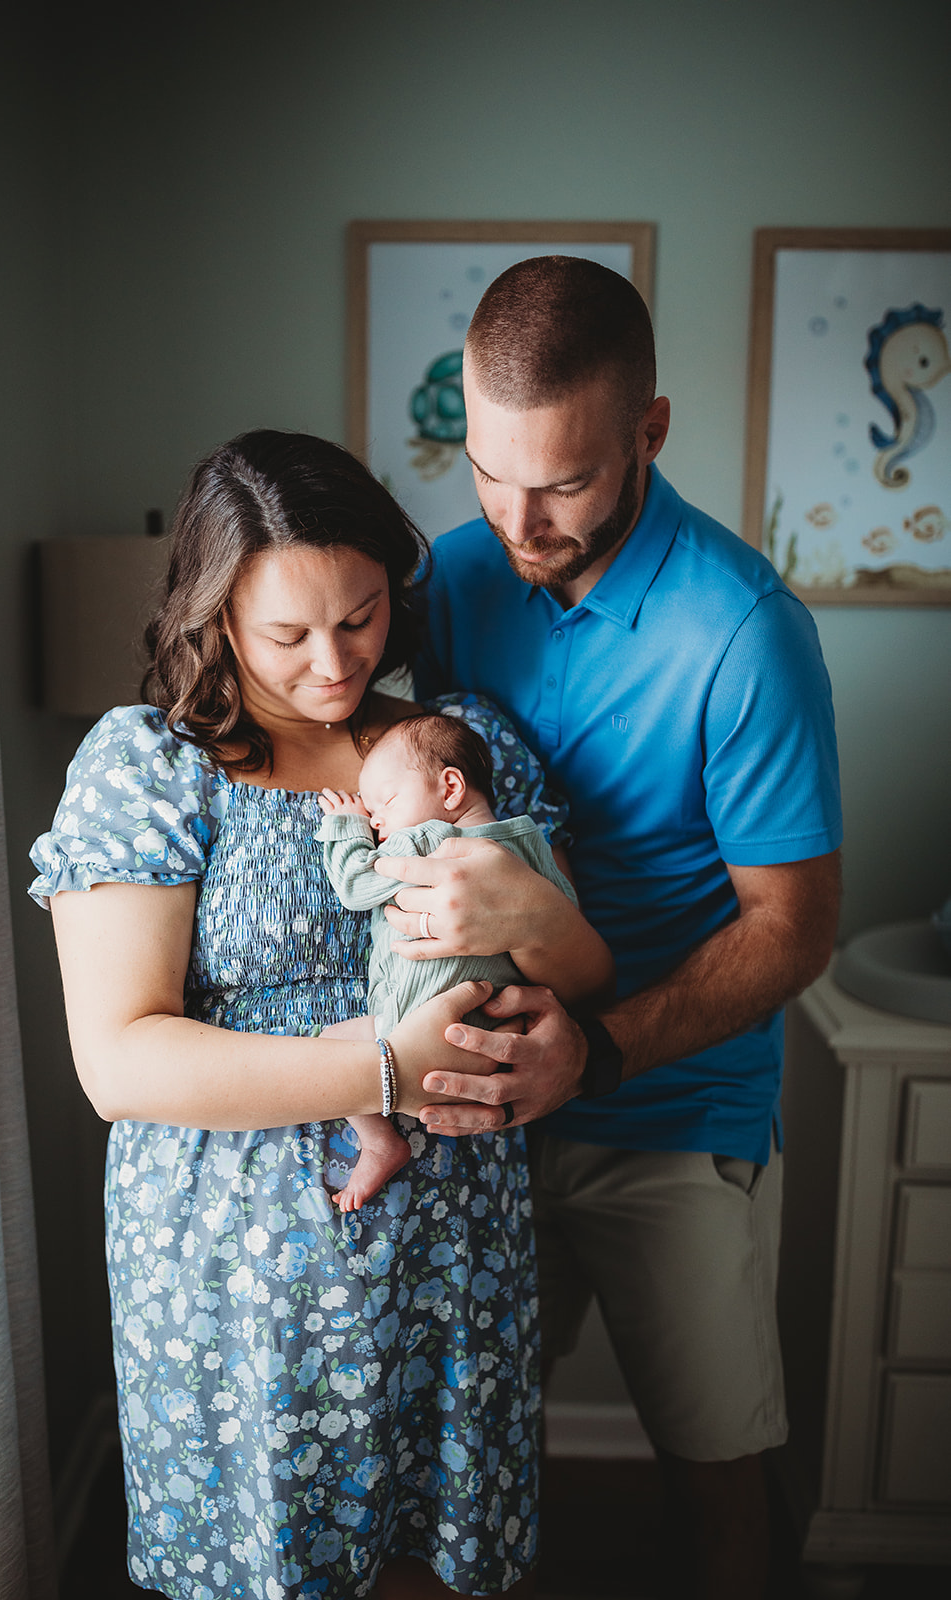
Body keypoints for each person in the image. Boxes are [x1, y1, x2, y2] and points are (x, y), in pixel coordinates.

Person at [28, 428, 608, 1600]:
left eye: (360, 615)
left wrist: (561, 1040)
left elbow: (569, 961)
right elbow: (120, 1060)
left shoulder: (461, 745)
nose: (335, 662)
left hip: (455, 1253)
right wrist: (387, 1070)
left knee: (436, 1563)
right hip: (243, 1278)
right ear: (216, 620)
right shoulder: (148, 766)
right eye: (287, 634)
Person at [370, 257, 843, 1600]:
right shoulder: (448, 578)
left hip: (668, 1115)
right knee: (438, 1464)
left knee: (711, 1464)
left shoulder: (746, 632)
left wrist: (600, 1049)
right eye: (486, 471)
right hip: (470, 1114)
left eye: (564, 483)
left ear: (648, 431)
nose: (518, 520)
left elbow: (791, 929)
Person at [315, 711, 610, 1211]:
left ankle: (382, 1142)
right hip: (501, 1041)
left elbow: (356, 886)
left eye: (384, 802)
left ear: (450, 787)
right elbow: (567, 915)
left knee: (328, 1045)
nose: (377, 818)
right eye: (370, 811)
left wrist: (348, 827)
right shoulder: (530, 841)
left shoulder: (425, 840)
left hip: (417, 1035)